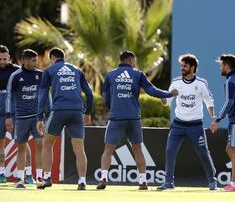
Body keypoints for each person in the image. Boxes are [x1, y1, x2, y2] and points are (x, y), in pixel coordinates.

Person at [96, 51, 178, 190]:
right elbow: (151, 90)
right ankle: (143, 181)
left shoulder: (110, 75)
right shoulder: (137, 74)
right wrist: (169, 93)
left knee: (108, 149)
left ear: (120, 61)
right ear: (131, 61)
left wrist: (114, 107)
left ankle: (103, 178)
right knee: (138, 149)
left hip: (116, 117)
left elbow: (106, 98)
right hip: (133, 118)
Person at [157, 53, 217, 191]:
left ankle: (212, 181)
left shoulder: (201, 84)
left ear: (193, 67)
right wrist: (163, 96)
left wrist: (213, 119)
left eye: (185, 66)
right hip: (178, 125)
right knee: (170, 151)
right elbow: (167, 103)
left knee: (203, 153)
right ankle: (168, 183)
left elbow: (209, 102)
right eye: (181, 65)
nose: (182, 68)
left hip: (196, 126)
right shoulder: (176, 83)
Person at [36, 47, 94, 190]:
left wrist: (39, 117)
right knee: (79, 149)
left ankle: (47, 178)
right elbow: (90, 94)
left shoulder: (49, 71)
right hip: (76, 112)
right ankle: (82, 182)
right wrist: (87, 113)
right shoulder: (76, 70)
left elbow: (43, 96)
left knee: (47, 144)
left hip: (59, 111)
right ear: (63, 57)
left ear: (52, 58)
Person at [5, 49, 46, 188]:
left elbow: (47, 94)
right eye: (33, 60)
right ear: (24, 61)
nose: (36, 63)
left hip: (37, 117)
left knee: (40, 145)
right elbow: (9, 97)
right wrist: (9, 116)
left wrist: (48, 111)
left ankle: (39, 178)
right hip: (20, 117)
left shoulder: (40, 75)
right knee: (21, 147)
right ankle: (21, 179)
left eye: (36, 60)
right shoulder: (16, 76)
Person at [211, 54, 235, 191]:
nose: (220, 68)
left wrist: (218, 118)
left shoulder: (230, 81)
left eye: (221, 65)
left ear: (227, 66)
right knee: (230, 149)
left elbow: (229, 102)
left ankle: (234, 184)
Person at [0, 45, 34, 184]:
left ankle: (29, 175)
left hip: (16, 113)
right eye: (0, 59)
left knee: (22, 143)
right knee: (0, 144)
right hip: (0, 114)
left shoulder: (17, 71)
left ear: (10, 58)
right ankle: (2, 174)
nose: (2, 61)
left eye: (4, 59)